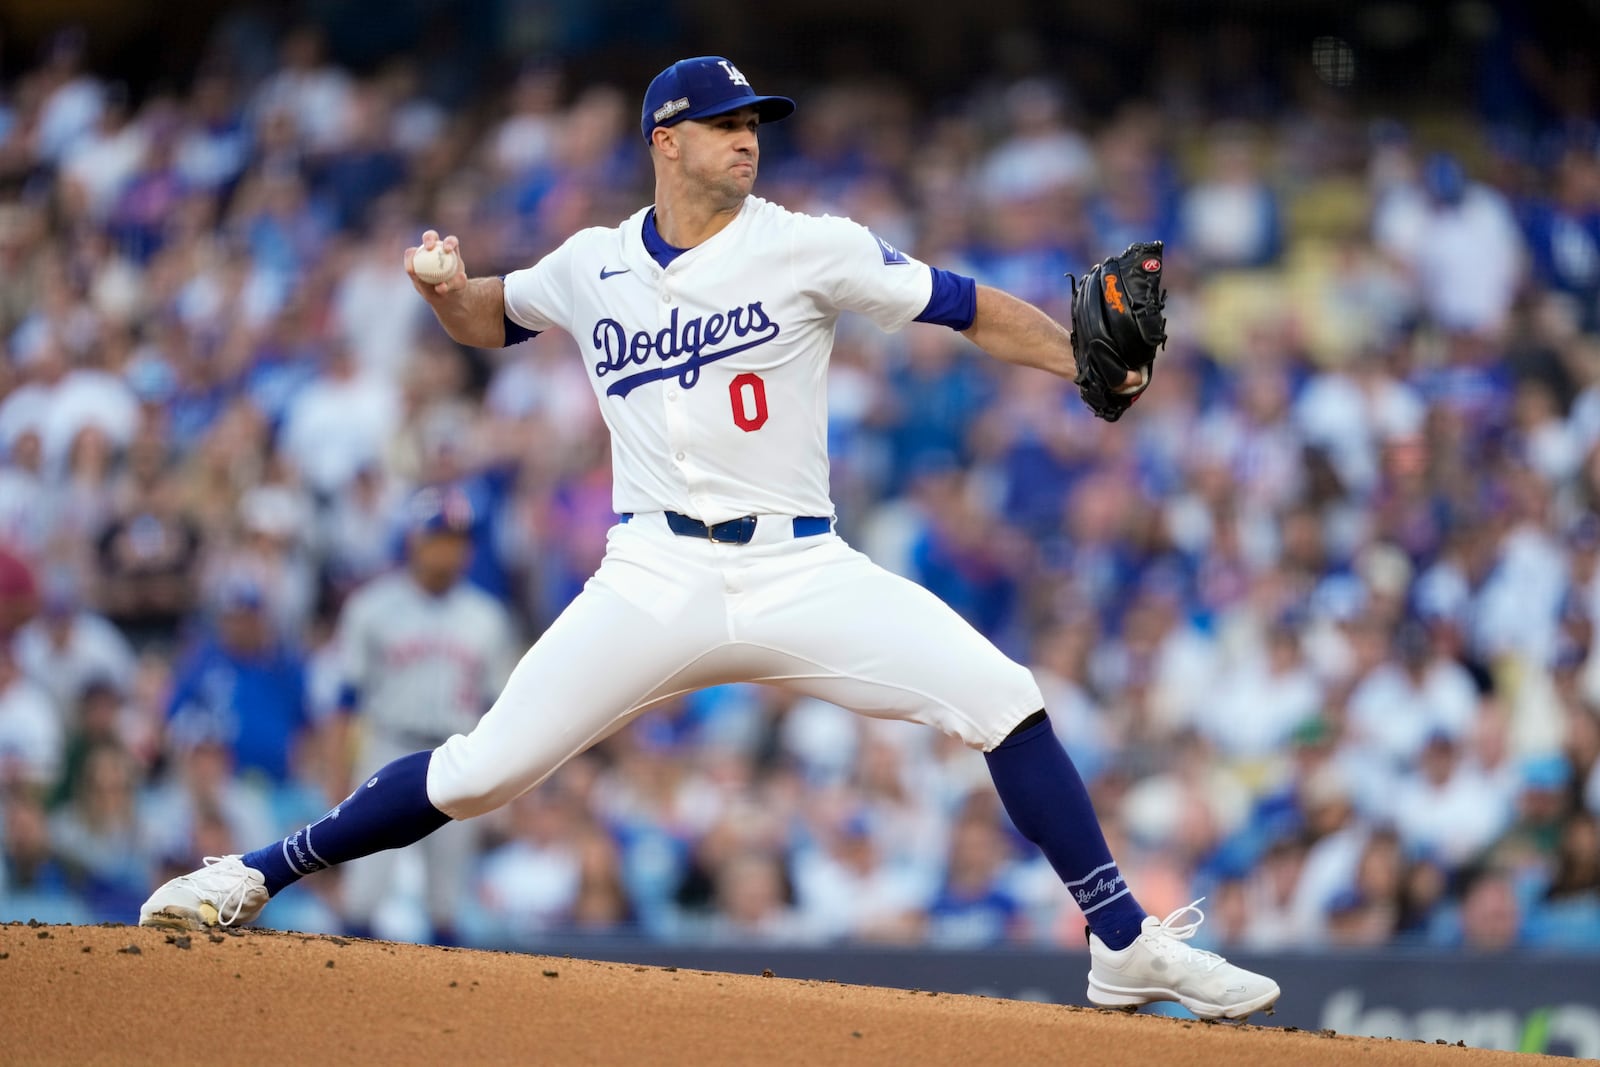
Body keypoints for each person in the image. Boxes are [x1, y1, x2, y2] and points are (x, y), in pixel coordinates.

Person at [140, 55, 1279, 1019]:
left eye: (753, 128)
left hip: (799, 563)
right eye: (726, 128)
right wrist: (442, 291)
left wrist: (1079, 359)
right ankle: (251, 871)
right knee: (482, 769)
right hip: (655, 571)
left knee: (1002, 694)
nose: (748, 143)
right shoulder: (590, 264)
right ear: (665, 141)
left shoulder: (808, 244)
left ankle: (1121, 942)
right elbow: (493, 315)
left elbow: (965, 304)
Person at [329, 486, 518, 943]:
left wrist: (504, 786)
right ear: (413, 539)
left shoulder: (487, 618)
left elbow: (503, 709)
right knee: (363, 887)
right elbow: (343, 704)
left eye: (457, 540)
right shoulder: (371, 608)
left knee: (447, 900)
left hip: (456, 751)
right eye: (438, 537)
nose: (447, 550)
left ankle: (444, 1004)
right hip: (388, 746)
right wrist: (337, 776)